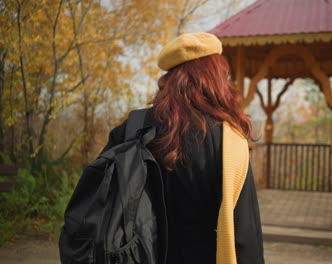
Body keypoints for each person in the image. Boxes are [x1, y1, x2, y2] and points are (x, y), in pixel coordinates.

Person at [100, 32, 264, 264]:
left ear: (169, 79)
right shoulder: (228, 139)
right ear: (216, 78)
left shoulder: (130, 129)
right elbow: (245, 234)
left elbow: (101, 199)